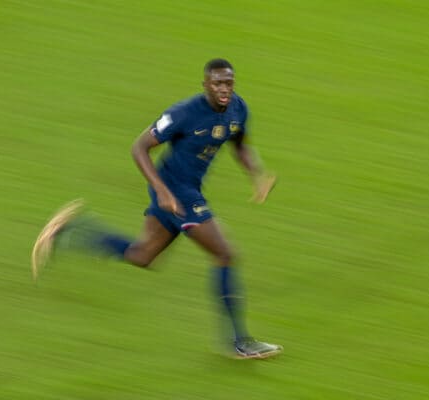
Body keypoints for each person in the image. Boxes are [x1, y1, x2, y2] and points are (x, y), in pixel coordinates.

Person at [32, 58, 282, 359]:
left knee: (143, 255)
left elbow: (239, 143)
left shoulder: (238, 109)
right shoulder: (184, 113)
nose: (224, 89)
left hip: (186, 190)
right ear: (205, 85)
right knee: (225, 254)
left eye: (228, 82)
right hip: (175, 190)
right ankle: (238, 341)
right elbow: (139, 147)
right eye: (217, 83)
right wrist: (163, 192)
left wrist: (257, 175)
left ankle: (67, 230)